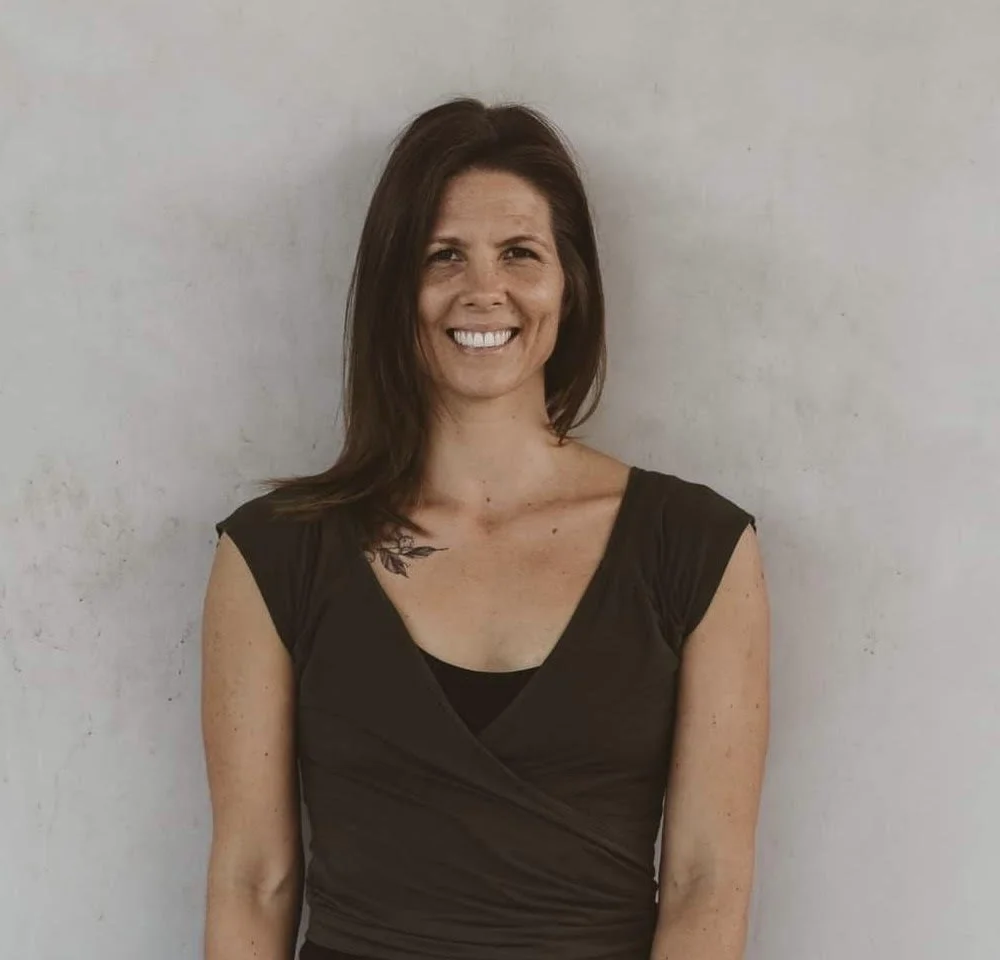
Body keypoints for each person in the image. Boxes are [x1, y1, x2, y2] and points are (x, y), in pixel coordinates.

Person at [200, 97, 770, 960]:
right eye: (443, 256)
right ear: (398, 287)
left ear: (568, 283)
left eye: (519, 253)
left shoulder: (695, 548)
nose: (484, 289)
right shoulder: (275, 554)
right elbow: (253, 879)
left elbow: (705, 883)